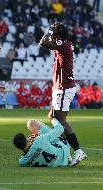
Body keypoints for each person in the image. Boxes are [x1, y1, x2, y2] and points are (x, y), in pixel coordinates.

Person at [39, 22, 87, 166]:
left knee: (60, 121)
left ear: (57, 34)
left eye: (54, 33)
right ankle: (66, 152)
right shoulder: (65, 44)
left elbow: (42, 42)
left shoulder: (62, 43)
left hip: (64, 87)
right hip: (62, 86)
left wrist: (49, 32)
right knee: (53, 117)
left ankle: (78, 151)